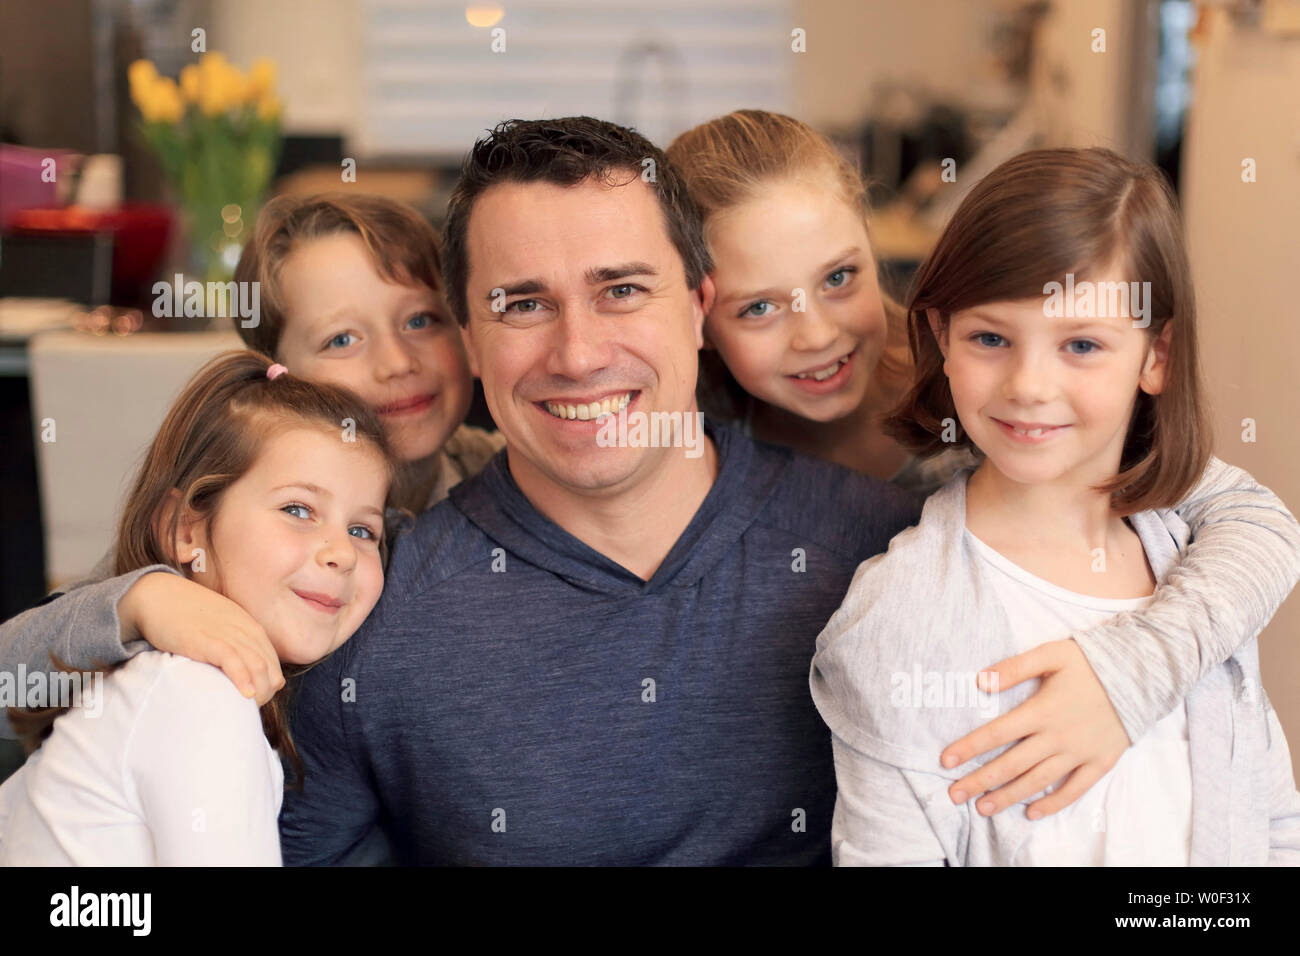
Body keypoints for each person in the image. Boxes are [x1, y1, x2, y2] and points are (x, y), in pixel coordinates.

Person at [279, 118, 1300, 865]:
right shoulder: (366, 605)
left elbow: (1230, 523)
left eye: (620, 288)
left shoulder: (903, 535)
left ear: (694, 305)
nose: (578, 350)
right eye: (521, 304)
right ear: (463, 332)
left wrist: (1134, 671)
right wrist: (130, 604)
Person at [669, 109, 1300, 817]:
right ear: (696, 314)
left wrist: (1129, 674)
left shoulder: (996, 400)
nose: (817, 333)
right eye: (757, 308)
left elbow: (1256, 521)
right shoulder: (693, 458)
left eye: (841, 276)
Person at [809, 148, 1300, 865]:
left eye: (1081, 344)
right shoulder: (898, 620)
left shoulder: (1189, 552)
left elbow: (1269, 814)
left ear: (1155, 356)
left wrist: (1125, 681)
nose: (1030, 384)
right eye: (990, 338)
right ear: (942, 336)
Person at [0, 194, 503, 717]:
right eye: (342, 338)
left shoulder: (504, 477)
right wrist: (140, 603)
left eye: (421, 320)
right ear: (280, 374)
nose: (397, 362)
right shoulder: (228, 522)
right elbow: (8, 679)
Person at [0, 351, 393, 864]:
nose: (341, 552)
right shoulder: (198, 696)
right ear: (186, 528)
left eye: (363, 530)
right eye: (298, 509)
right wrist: (141, 598)